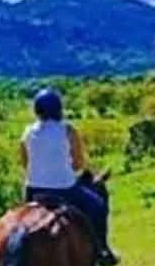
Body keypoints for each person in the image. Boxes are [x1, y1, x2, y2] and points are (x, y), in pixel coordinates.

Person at [19, 87, 111, 255]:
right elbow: (78, 164)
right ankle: (102, 250)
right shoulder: (68, 130)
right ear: (58, 109)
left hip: (33, 191)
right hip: (65, 190)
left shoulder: (26, 132)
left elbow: (26, 164)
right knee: (98, 206)